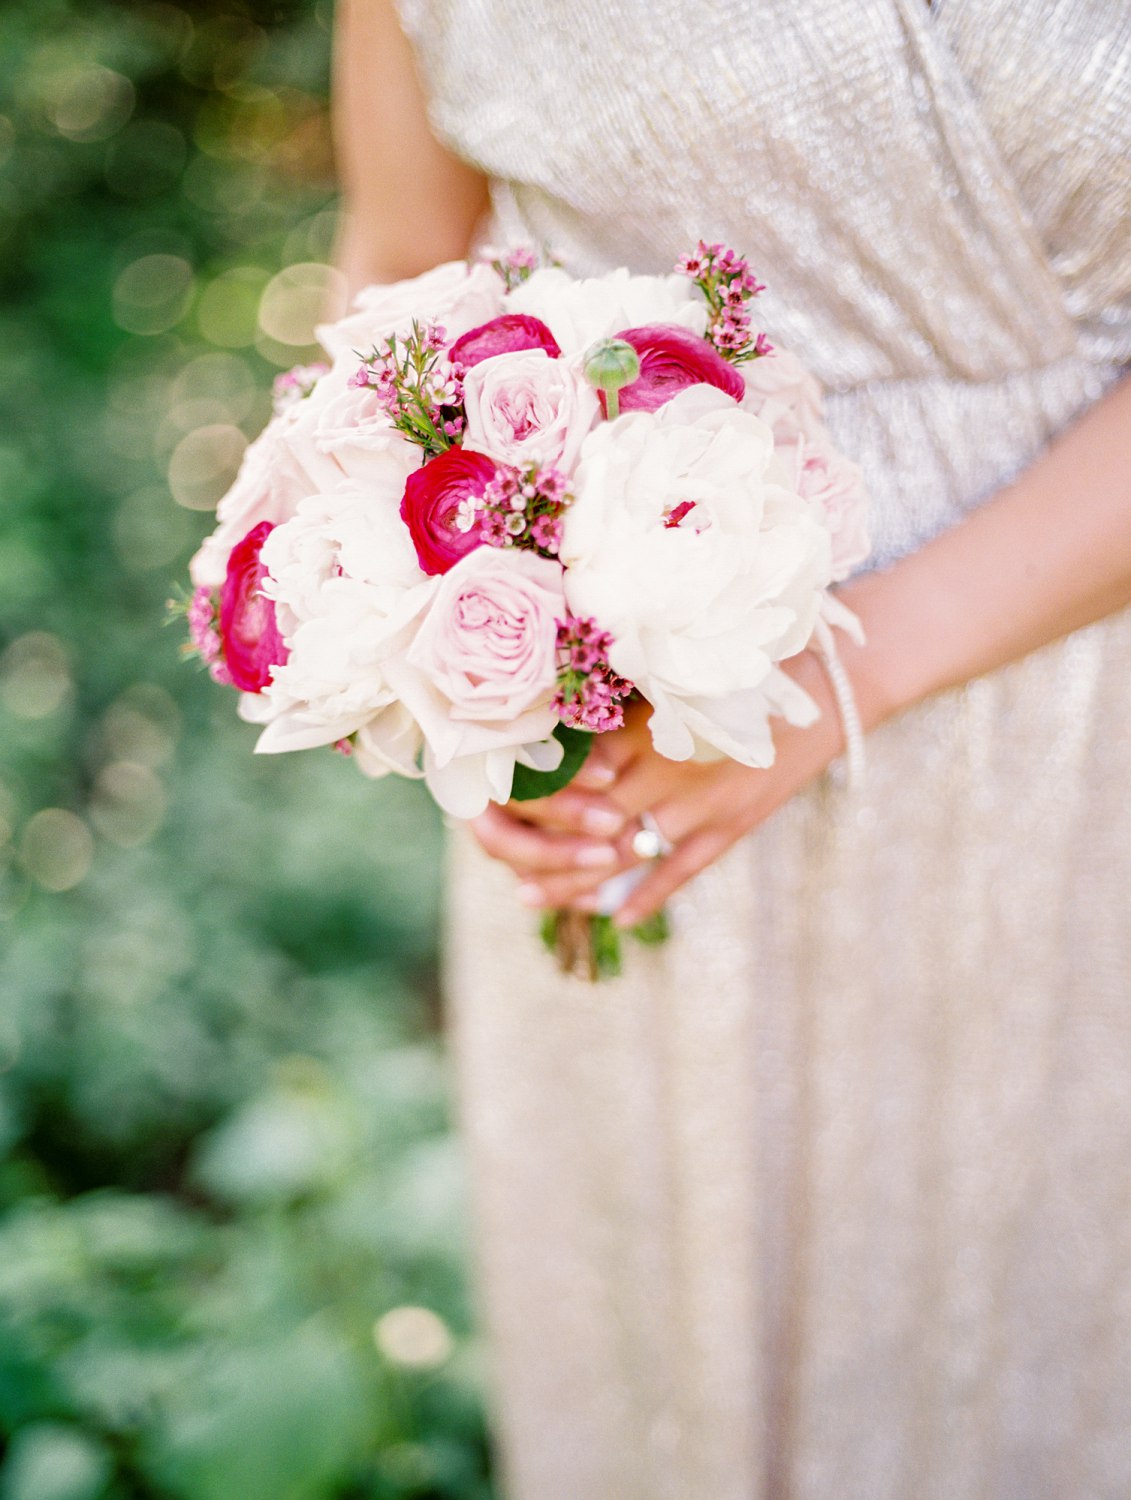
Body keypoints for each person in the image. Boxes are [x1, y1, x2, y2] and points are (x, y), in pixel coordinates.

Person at [334, 3, 1131, 1496]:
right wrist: (437, 667)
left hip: (1086, 748)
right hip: (634, 783)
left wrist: (844, 675)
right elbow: (399, 280)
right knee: (667, 1375)